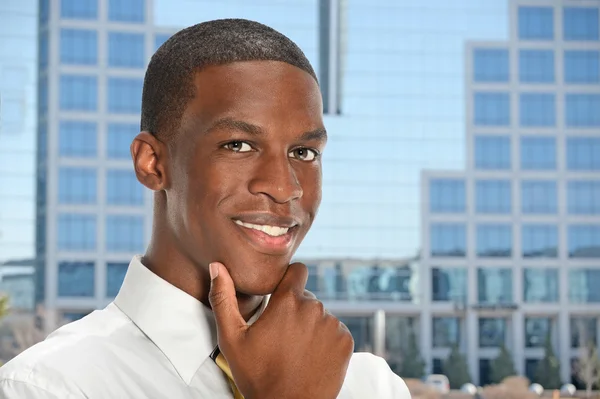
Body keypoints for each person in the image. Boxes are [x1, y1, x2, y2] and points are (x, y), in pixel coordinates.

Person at [0, 19, 411, 398]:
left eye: (303, 151)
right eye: (238, 145)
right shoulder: (48, 387)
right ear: (153, 164)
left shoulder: (370, 386)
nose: (286, 188)